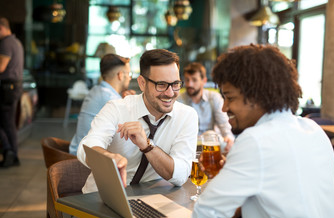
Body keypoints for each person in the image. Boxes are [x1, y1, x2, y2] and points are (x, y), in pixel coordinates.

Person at [192, 44, 334, 218]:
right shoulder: (313, 129)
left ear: (255, 96)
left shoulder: (255, 141)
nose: (225, 107)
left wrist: (237, 195)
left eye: (230, 97)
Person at [77, 49, 198, 193]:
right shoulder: (117, 108)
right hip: (101, 198)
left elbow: (180, 175)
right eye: (161, 84)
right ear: (142, 83)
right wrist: (109, 159)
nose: (170, 93)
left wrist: (147, 146)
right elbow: (86, 147)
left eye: (175, 84)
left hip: (148, 200)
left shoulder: (187, 116)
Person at [69, 53, 135, 155]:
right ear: (120, 75)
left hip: (77, 151)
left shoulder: (97, 90)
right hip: (84, 159)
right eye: (129, 74)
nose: (130, 78)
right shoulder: (111, 100)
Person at [178, 62, 234, 152]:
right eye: (187, 80)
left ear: (204, 81)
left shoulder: (214, 97)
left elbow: (223, 123)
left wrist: (228, 137)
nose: (189, 84)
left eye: (194, 80)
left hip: (209, 144)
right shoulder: (178, 100)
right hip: (187, 146)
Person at [0, 17, 24, 168]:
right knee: (5, 121)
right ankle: (12, 154)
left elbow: (0, 67)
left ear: (0, 27)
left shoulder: (5, 43)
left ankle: (10, 154)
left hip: (8, 88)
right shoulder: (16, 41)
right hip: (13, 87)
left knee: (4, 121)